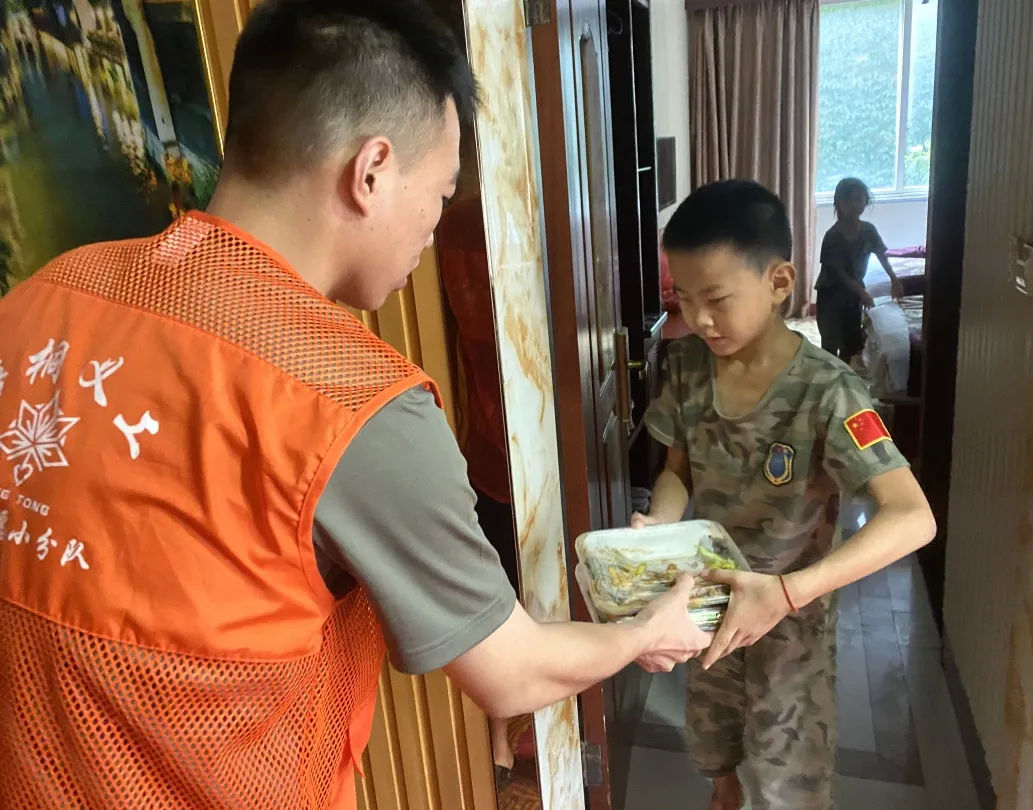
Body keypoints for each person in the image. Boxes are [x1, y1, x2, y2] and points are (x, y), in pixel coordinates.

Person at [0, 2, 711, 806]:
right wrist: (644, 633)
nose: (436, 229)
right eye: (440, 196)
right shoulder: (350, 404)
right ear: (370, 171)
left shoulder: (45, 295)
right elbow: (510, 674)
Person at [632, 180, 936, 810]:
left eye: (716, 298)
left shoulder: (832, 391)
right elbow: (677, 471)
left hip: (791, 625)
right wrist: (659, 526)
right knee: (714, 745)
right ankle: (723, 793)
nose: (701, 319)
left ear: (779, 282)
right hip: (711, 605)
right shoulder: (688, 366)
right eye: (686, 299)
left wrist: (788, 592)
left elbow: (913, 518)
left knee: (786, 782)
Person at [437, 191, 521, 790]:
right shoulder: (465, 224)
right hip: (493, 453)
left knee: (509, 595)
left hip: (507, 449)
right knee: (502, 595)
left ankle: (508, 735)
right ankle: (502, 736)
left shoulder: (462, 222)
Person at [815, 177, 904, 363]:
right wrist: (862, 293)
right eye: (850, 200)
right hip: (831, 294)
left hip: (853, 293)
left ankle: (845, 373)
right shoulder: (833, 237)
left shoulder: (868, 230)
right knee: (831, 340)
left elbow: (881, 254)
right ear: (840, 203)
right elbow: (839, 273)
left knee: (852, 339)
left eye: (860, 199)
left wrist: (894, 279)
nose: (856, 204)